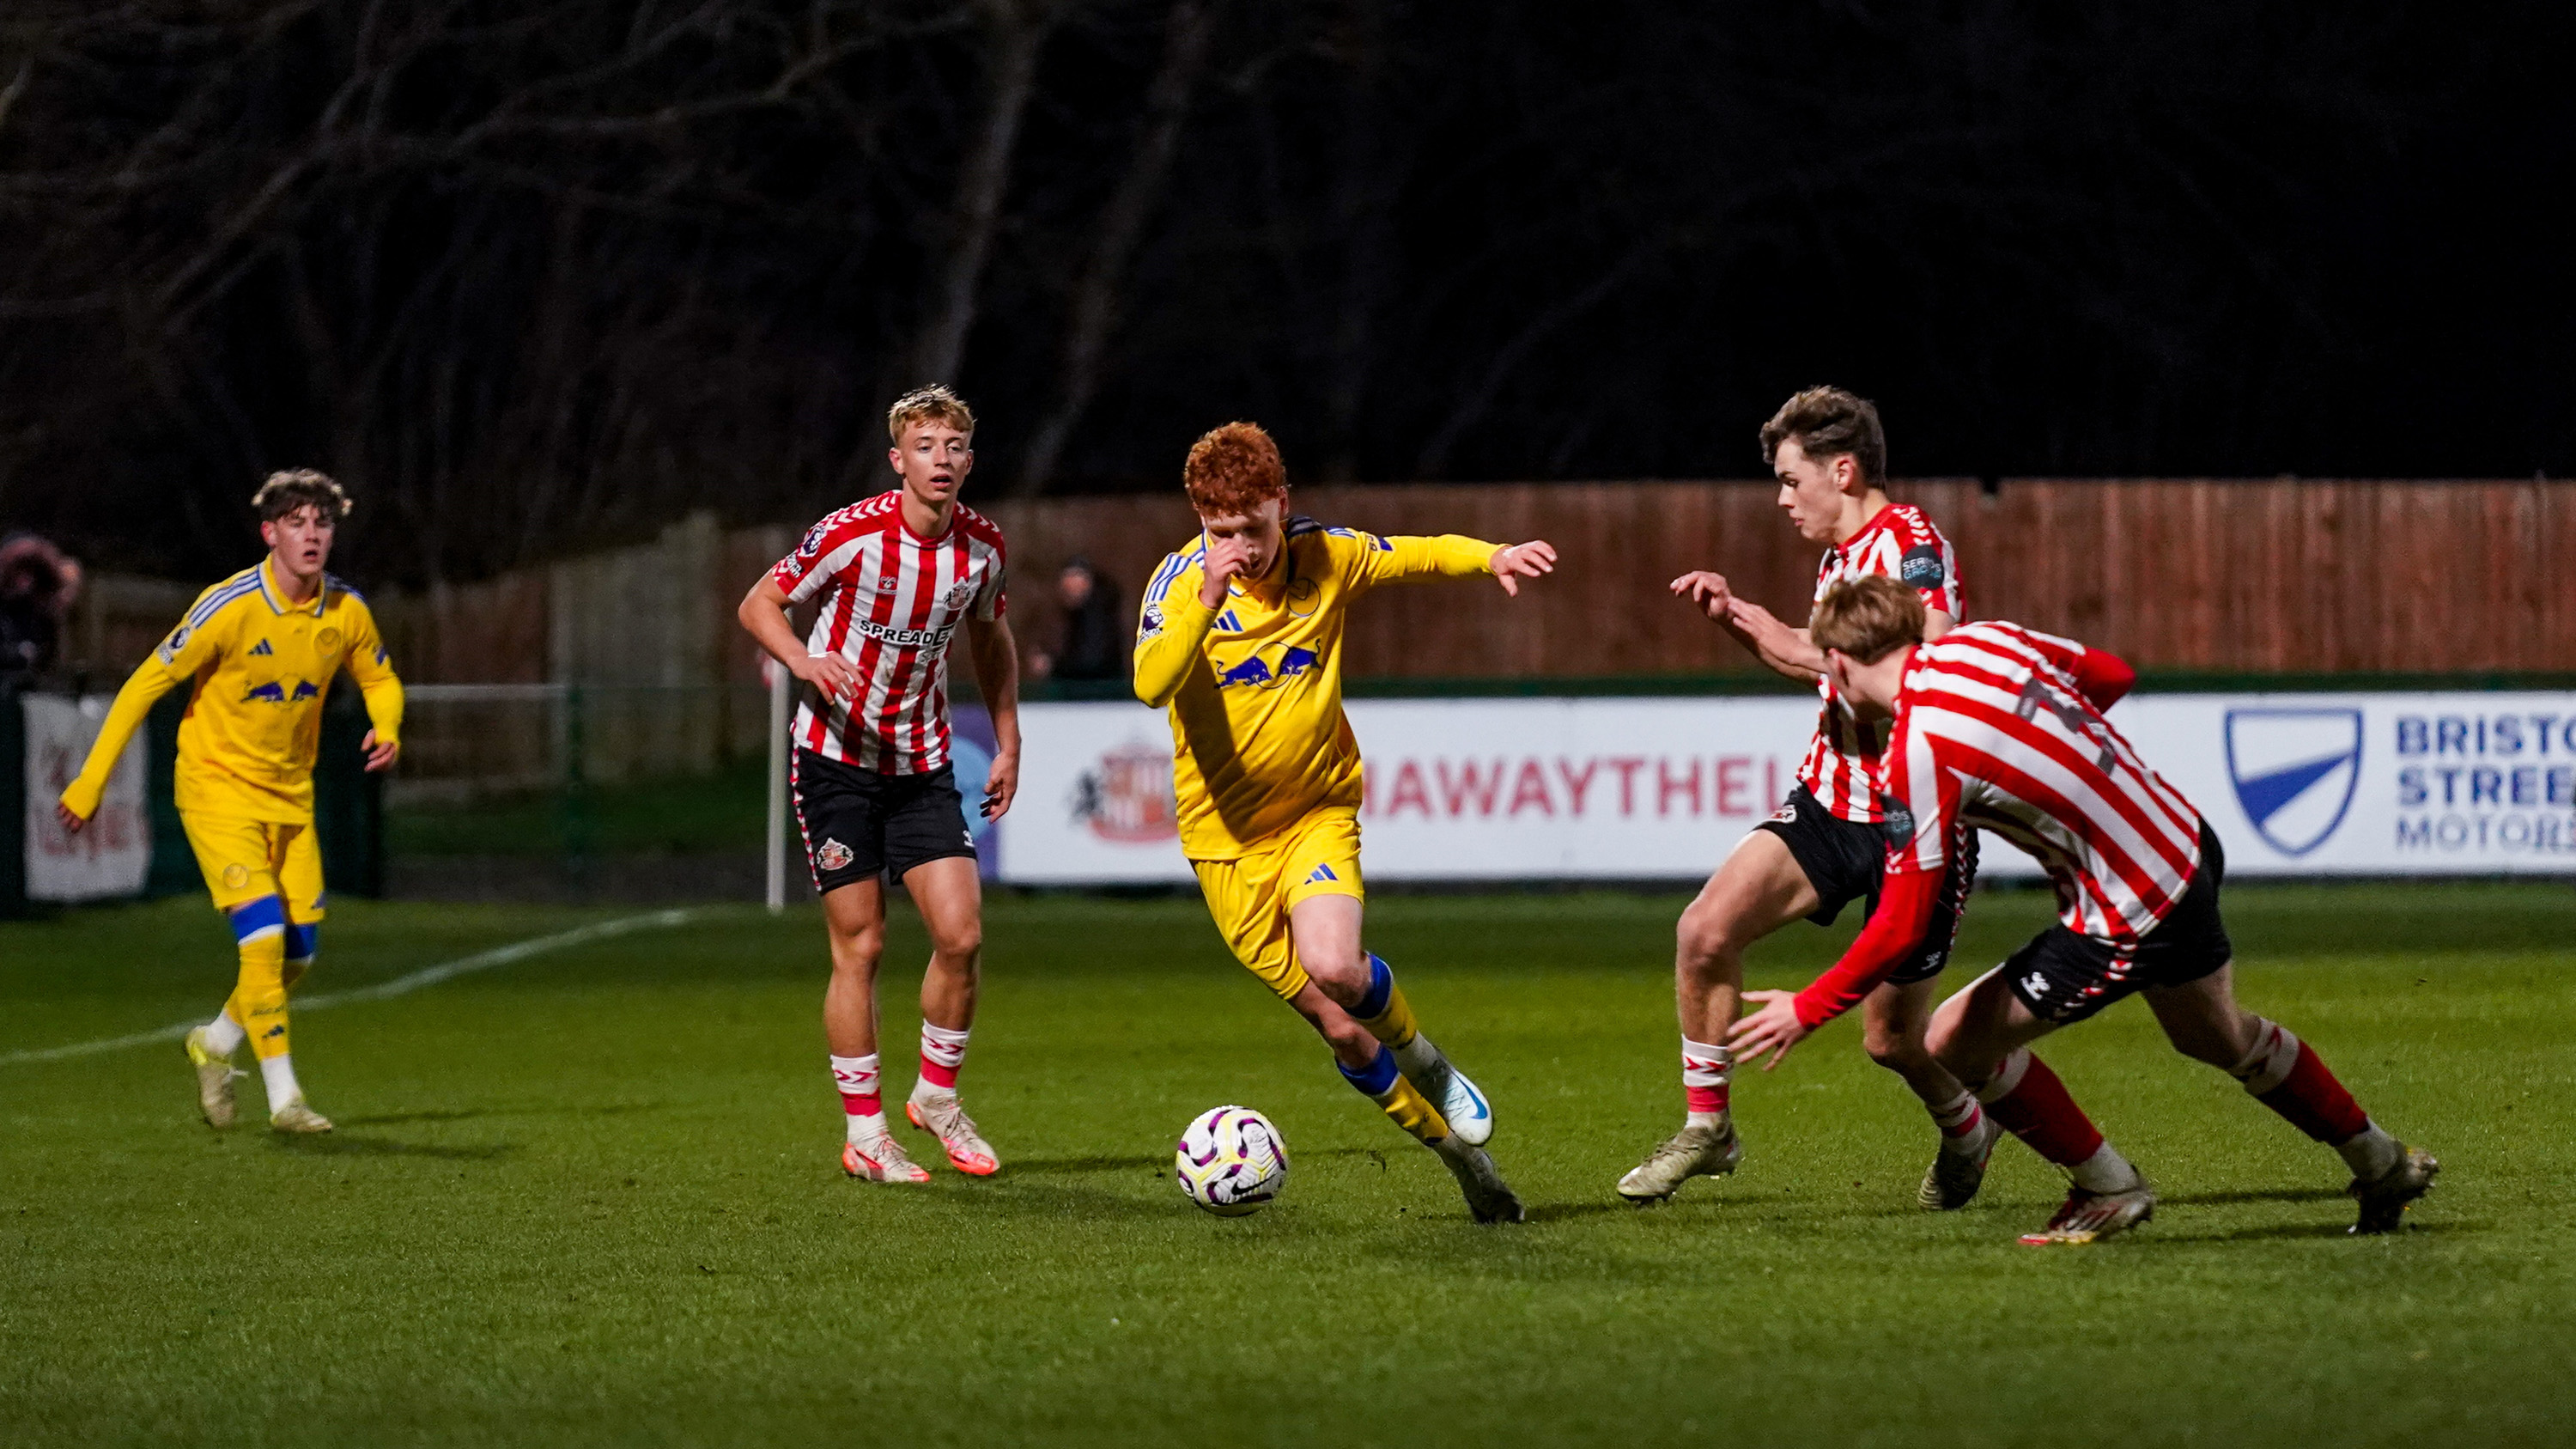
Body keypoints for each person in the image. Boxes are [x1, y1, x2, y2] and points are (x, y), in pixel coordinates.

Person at [1730, 575, 2439, 1242]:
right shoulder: (1989, 642)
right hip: (2183, 842)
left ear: (1841, 666)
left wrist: (1809, 1005)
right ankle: (2382, 1163)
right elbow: (2110, 674)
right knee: (2219, 1038)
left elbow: (1903, 923)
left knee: (1953, 1039)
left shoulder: (1917, 750)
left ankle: (2107, 1187)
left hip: (2129, 907)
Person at [1133, 421, 1557, 1223]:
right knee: (1345, 1033)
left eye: (1253, 529)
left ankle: (1430, 1063)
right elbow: (1152, 684)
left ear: (1280, 505)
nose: (1241, 548)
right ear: (1200, 522)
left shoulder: (1325, 555)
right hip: (1225, 847)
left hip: (1317, 813)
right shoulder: (1181, 585)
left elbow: (1417, 551)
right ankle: (1461, 1158)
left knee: (1338, 966)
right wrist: (1206, 601)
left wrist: (1491, 556)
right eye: (1220, 532)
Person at [1619, 387, 2022, 1212]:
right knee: (1703, 930)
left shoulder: (1912, 547)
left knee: (1892, 1040)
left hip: (1917, 820)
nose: (1781, 497)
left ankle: (1966, 1127)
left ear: (1842, 470)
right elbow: (1817, 655)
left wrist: (1801, 646)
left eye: (1790, 478)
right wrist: (1738, 617)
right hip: (1832, 801)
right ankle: (1709, 1128)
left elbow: (1927, 665)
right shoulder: (1840, 556)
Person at [55, 471, 403, 1134]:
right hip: (216, 788)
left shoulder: (345, 610)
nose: (312, 535)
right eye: (297, 523)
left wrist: (387, 726)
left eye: (322, 524)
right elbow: (141, 686)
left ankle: (214, 1043)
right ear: (269, 533)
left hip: (290, 799)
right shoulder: (229, 606)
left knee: (298, 955)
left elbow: (380, 676)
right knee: (264, 936)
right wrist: (91, 779)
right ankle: (286, 1098)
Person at [736, 385, 1023, 1184]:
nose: (942, 460)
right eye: (926, 447)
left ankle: (935, 1099)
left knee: (961, 935)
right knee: (861, 943)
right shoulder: (853, 532)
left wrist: (1007, 740)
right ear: (899, 460)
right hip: (835, 762)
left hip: (923, 764)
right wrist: (801, 660)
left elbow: (991, 638)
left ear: (969, 458)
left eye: (955, 446)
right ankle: (865, 1132)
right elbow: (759, 602)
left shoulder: (982, 548)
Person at [1028, 557, 1127, 683]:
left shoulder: (1103, 612)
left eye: (1077, 579)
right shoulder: (1052, 614)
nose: (1073, 587)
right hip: (1066, 689)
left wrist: (1055, 665)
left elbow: (1093, 660)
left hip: (1100, 688)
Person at [0, 532, 83, 682]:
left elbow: (46, 661)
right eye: (21, 572)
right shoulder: (9, 608)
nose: (26, 582)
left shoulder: (41, 614)